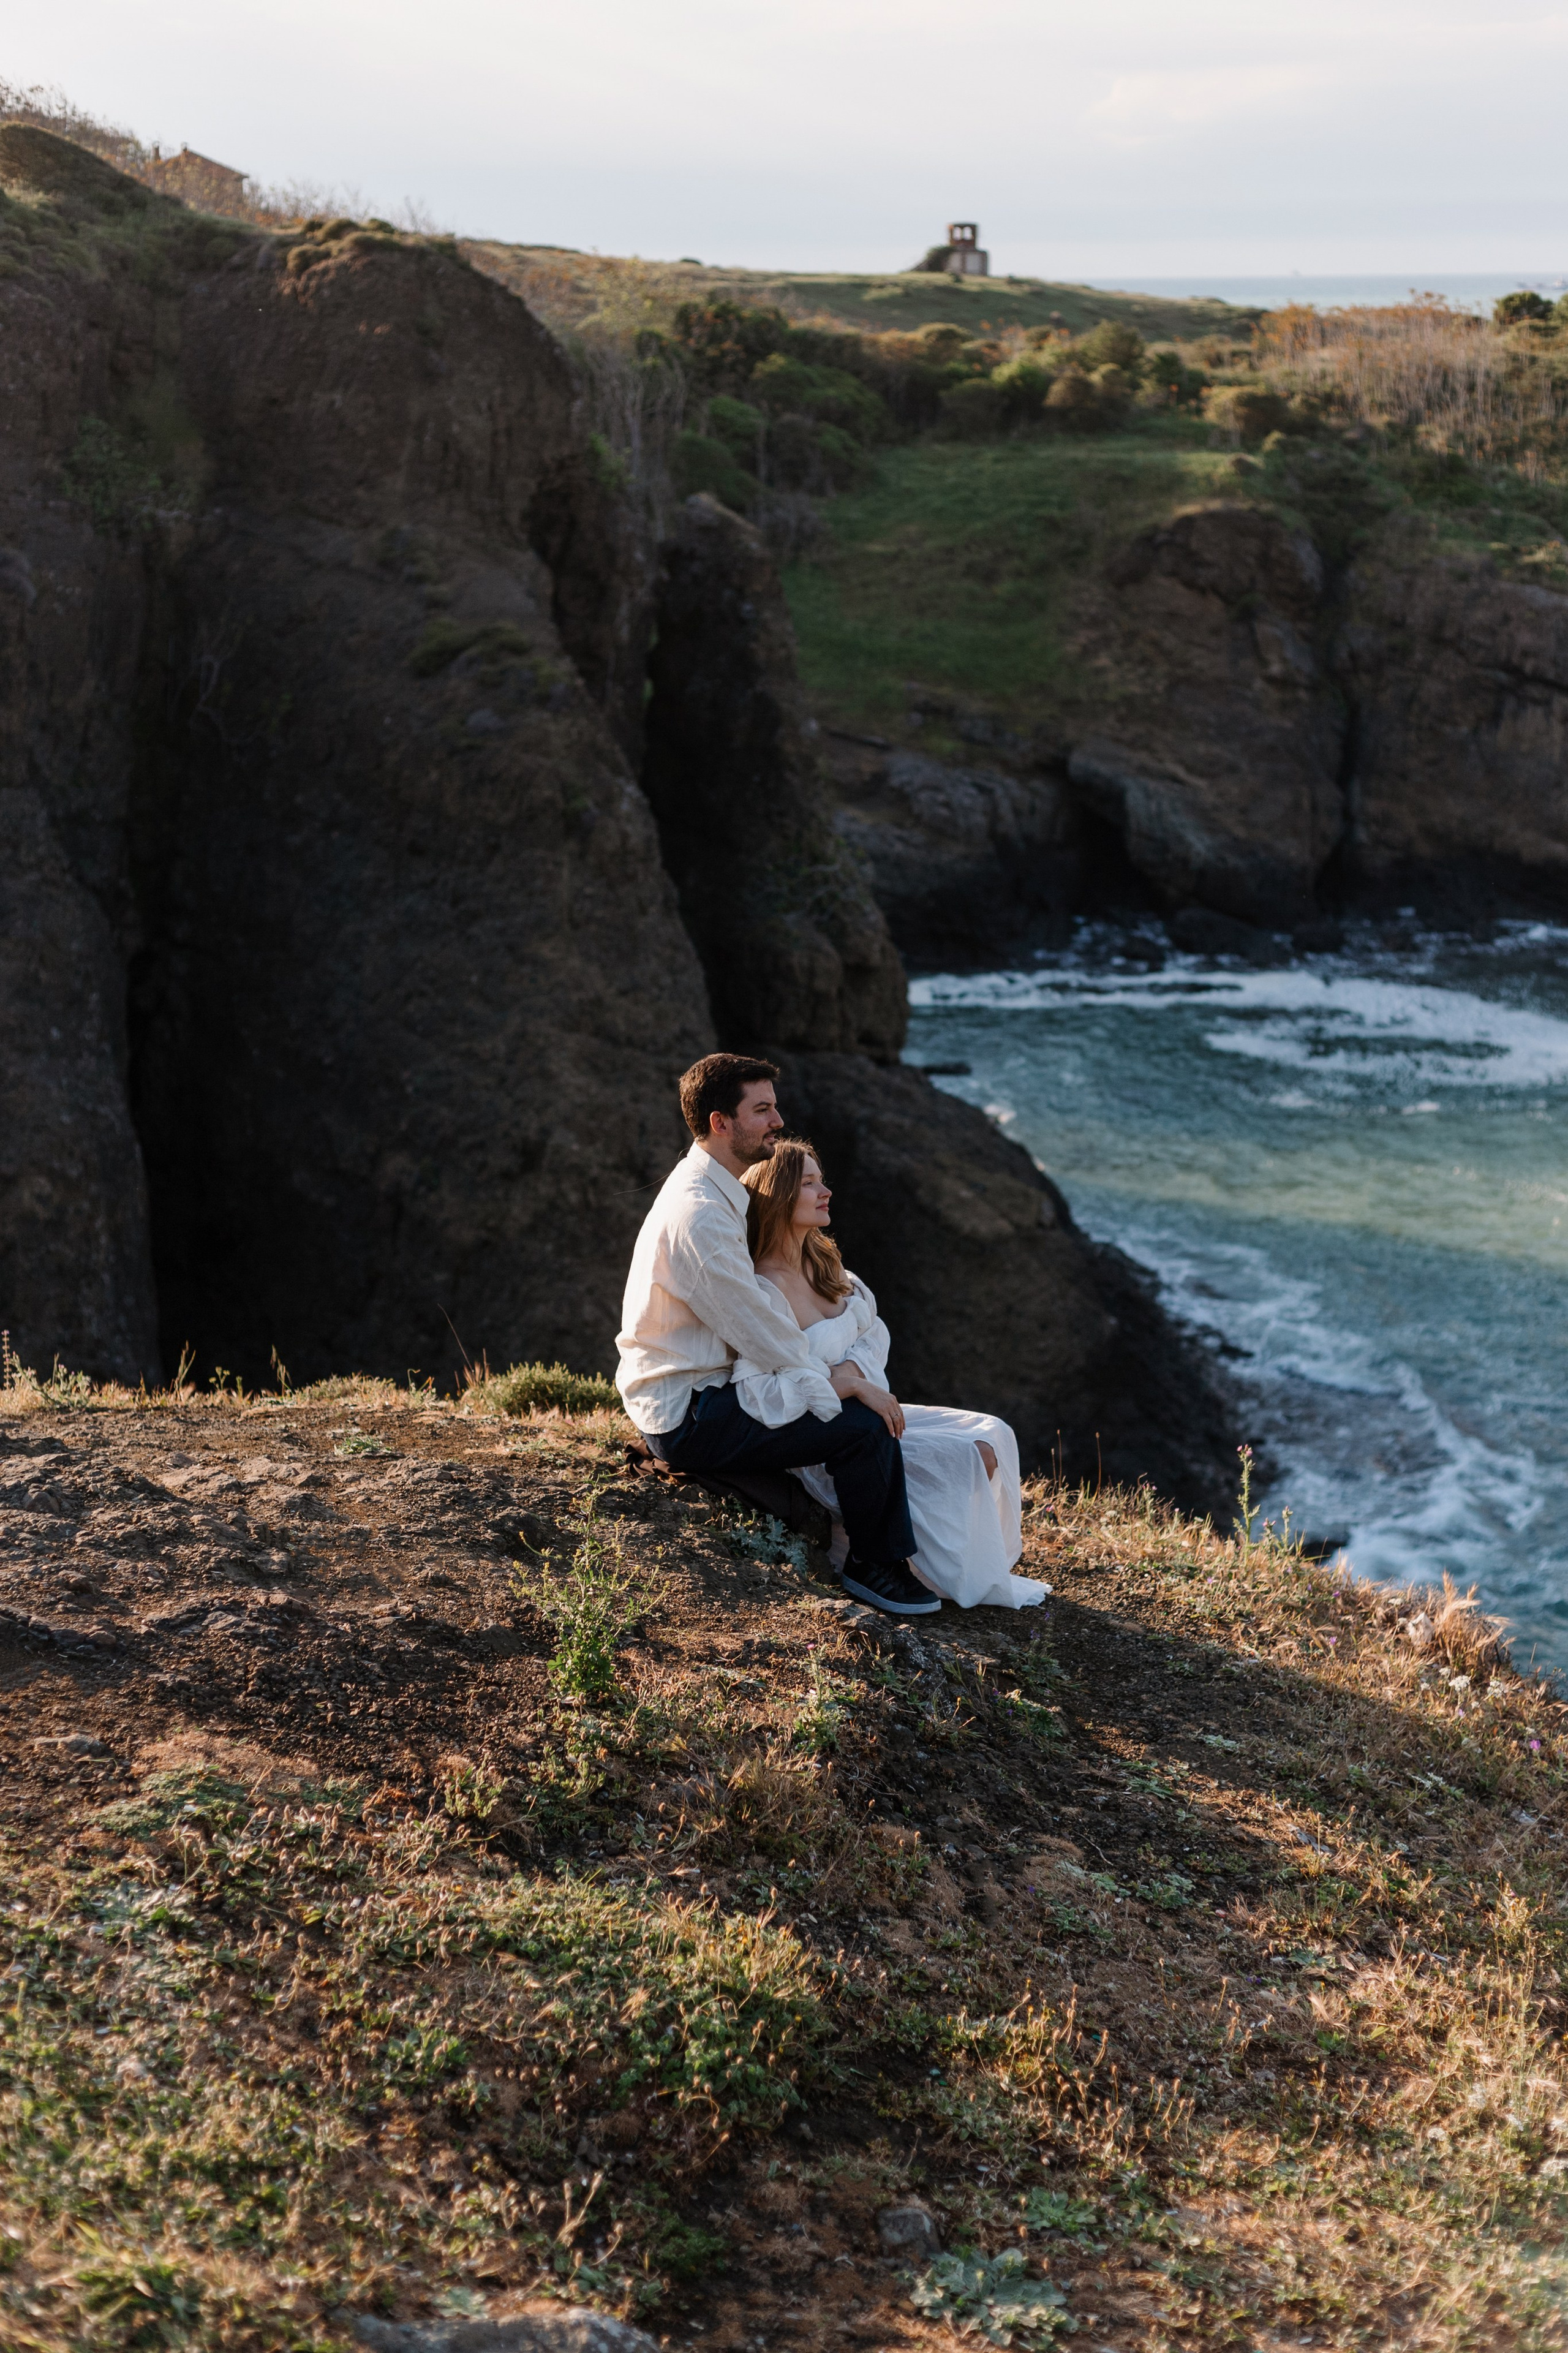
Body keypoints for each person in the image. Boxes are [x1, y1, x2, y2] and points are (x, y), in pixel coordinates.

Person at [616, 1053, 939, 1615]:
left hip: (701, 1394)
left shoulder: (713, 1191)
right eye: (762, 1109)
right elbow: (762, 1331)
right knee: (861, 1428)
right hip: (690, 1412)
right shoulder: (701, 1214)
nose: (777, 1120)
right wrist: (842, 1383)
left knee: (854, 1414)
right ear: (721, 1122)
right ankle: (874, 1567)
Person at [734, 1139, 1048, 1611]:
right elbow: (768, 1390)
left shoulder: (823, 1261)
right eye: (809, 1183)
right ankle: (875, 1550)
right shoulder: (763, 1286)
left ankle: (916, 1551)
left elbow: (872, 1330)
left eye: (822, 1179)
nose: (826, 1191)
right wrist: (852, 1383)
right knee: (970, 1459)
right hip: (829, 1435)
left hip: (867, 1407)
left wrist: (855, 1371)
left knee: (992, 1435)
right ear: (777, 1195)